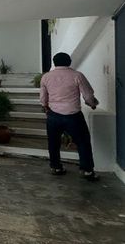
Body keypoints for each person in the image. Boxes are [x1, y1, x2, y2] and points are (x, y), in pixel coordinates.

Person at [39, 52, 99, 181]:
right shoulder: (77, 75)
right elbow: (88, 95)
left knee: (53, 142)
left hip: (53, 115)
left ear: (54, 62)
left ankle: (56, 167)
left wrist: (45, 107)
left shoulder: (46, 77)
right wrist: (92, 104)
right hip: (73, 116)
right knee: (83, 142)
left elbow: (43, 98)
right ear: (69, 62)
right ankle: (87, 170)